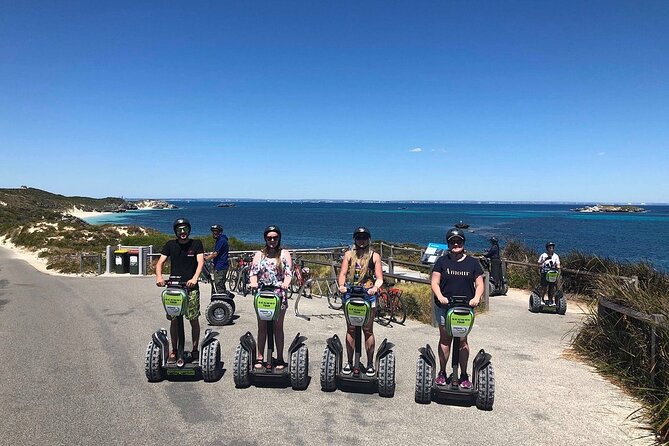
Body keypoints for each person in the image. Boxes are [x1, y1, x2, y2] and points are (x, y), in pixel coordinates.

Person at [430, 227, 484, 389]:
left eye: (459, 241)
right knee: (445, 339)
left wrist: (476, 298)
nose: (456, 244)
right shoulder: (442, 262)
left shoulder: (473, 263)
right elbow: (434, 281)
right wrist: (440, 296)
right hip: (445, 307)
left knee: (462, 341)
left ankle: (463, 374)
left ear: (463, 243)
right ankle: (442, 372)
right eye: (452, 242)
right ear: (448, 244)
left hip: (465, 309)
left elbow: (480, 283)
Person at [155, 218, 205, 363]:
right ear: (176, 231)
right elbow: (160, 263)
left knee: (193, 318)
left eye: (185, 229)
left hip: (190, 287)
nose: (183, 232)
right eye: (180, 230)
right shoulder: (170, 245)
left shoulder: (196, 244)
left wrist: (195, 278)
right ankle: (175, 349)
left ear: (189, 230)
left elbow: (200, 262)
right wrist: (159, 277)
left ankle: (195, 349)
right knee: (174, 320)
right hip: (174, 287)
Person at [337, 227, 384, 376]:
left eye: (364, 237)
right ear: (355, 239)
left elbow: (379, 277)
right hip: (351, 294)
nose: (361, 240)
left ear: (368, 239)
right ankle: (350, 362)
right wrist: (342, 286)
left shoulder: (374, 256)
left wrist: (376, 287)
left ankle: (370, 364)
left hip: (368, 295)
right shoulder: (349, 255)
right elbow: (343, 273)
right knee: (351, 329)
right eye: (358, 237)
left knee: (368, 330)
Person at [248, 225, 293, 370]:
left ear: (279, 238)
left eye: (275, 237)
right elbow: (253, 272)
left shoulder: (284, 254)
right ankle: (260, 357)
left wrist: (286, 283)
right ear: (265, 239)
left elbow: (288, 273)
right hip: (262, 294)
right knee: (262, 327)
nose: (272, 240)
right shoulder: (259, 254)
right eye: (269, 238)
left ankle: (279, 357)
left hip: (279, 294)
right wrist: (253, 282)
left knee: (277, 327)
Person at [204, 224, 231, 296]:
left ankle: (222, 301)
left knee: (219, 285)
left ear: (220, 232)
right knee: (220, 284)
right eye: (213, 232)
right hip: (219, 265)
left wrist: (205, 258)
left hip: (220, 266)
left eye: (215, 232)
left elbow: (215, 254)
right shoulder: (220, 240)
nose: (214, 233)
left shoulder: (221, 240)